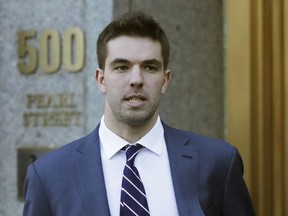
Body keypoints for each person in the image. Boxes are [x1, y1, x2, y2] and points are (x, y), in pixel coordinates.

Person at [23, 12, 255, 216]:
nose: (136, 80)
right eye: (122, 67)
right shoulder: (49, 177)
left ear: (165, 81)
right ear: (101, 79)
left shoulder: (217, 163)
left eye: (150, 67)